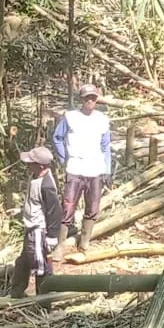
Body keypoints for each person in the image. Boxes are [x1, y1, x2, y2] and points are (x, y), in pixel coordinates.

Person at [52, 83, 112, 255]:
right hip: (75, 168)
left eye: (93, 97)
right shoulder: (70, 117)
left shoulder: (102, 119)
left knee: (93, 207)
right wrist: (65, 158)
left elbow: (106, 146)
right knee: (68, 207)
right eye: (87, 98)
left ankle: (85, 242)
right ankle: (60, 245)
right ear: (81, 99)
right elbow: (57, 138)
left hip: (95, 169)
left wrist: (107, 170)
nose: (90, 101)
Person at [8, 146, 59, 295]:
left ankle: (44, 298)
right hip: (30, 228)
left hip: (38, 230)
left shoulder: (47, 185)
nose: (28, 165)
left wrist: (52, 237)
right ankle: (16, 292)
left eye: (31, 163)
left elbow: (54, 211)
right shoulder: (35, 177)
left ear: (41, 166)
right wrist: (21, 211)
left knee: (40, 265)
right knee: (23, 261)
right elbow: (35, 203)